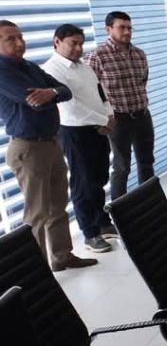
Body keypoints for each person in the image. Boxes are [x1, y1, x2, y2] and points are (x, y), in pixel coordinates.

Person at [0, 20, 97, 271]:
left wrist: (51, 93)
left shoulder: (30, 67)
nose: (19, 43)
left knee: (57, 206)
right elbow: (32, 101)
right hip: (28, 149)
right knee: (37, 213)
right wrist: (50, 94)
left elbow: (65, 91)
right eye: (10, 39)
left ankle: (62, 256)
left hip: (51, 143)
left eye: (20, 37)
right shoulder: (3, 71)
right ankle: (37, 271)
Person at [42, 24, 118, 253]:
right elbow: (70, 107)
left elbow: (101, 93)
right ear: (57, 42)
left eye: (80, 43)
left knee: (99, 177)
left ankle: (102, 222)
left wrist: (109, 115)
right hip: (75, 131)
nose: (78, 48)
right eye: (73, 43)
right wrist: (102, 119)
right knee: (83, 182)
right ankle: (90, 233)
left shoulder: (84, 67)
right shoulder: (51, 70)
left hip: (98, 128)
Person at [86, 11, 153, 200]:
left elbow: (143, 82)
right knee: (122, 167)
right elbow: (89, 90)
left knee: (146, 162)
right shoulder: (97, 56)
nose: (127, 32)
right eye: (121, 27)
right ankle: (120, 211)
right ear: (108, 29)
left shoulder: (139, 54)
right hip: (118, 120)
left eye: (129, 28)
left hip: (142, 115)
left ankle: (150, 204)